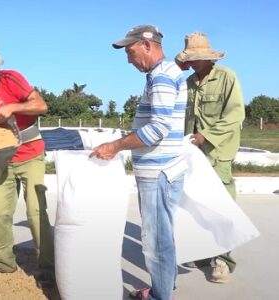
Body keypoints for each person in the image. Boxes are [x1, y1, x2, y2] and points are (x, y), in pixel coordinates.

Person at [90, 25, 188, 300]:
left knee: (156, 241)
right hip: (164, 169)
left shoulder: (162, 77)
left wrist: (116, 146)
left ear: (147, 44)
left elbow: (158, 129)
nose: (129, 59)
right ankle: (164, 287)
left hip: (159, 171)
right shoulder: (165, 73)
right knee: (163, 235)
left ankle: (160, 296)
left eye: (131, 52)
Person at [0, 40, 55, 289]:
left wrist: (14, 107)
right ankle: (4, 264)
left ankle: (48, 266)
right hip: (2, 161)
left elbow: (42, 105)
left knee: (36, 212)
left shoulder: (12, 79)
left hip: (31, 153)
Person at [176, 32, 245, 283]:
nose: (191, 63)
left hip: (217, 153)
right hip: (192, 154)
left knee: (221, 207)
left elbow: (235, 115)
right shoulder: (187, 83)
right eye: (189, 59)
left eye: (195, 58)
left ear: (208, 58)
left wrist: (207, 135)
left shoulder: (227, 78)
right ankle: (204, 252)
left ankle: (223, 260)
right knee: (196, 206)